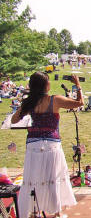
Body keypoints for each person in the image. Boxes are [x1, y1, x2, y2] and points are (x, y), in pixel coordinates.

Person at [11, 72, 84, 218]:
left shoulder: (29, 102)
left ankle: (33, 211)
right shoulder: (54, 100)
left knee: (33, 178)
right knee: (54, 178)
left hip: (33, 145)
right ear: (45, 85)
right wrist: (78, 85)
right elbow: (79, 103)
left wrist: (25, 107)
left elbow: (13, 120)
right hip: (52, 145)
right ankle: (57, 213)